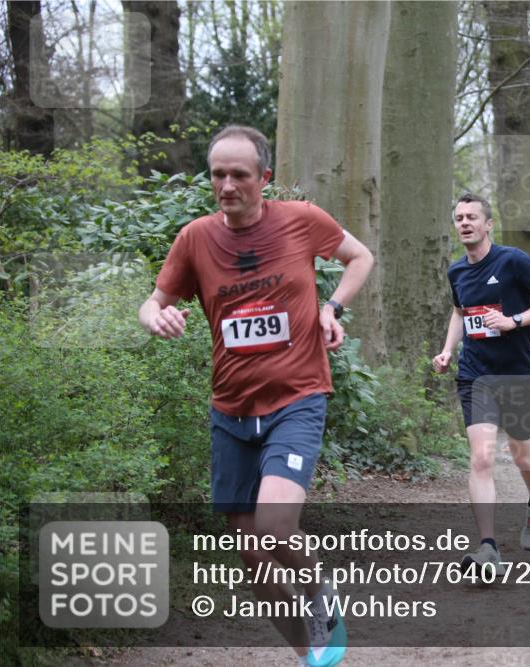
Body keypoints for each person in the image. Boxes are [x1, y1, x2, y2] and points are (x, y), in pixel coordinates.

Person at [138, 125, 373, 667]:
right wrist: (158, 317)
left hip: (297, 398)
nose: (226, 185)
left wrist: (331, 307)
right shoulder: (195, 238)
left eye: (239, 175)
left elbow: (360, 256)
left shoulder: (301, 220)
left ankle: (320, 593)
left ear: (263, 179)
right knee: (252, 555)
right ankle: (308, 656)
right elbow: (151, 302)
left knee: (274, 528)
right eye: (218, 174)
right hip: (231, 412)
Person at [432, 193, 530, 576]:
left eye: (472, 216)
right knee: (482, 457)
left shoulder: (512, 261)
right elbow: (460, 312)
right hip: (476, 373)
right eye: (458, 217)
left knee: (523, 454)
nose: (464, 222)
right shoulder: (457, 271)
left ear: (488, 224)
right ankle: (488, 546)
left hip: (518, 372)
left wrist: (516, 320)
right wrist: (447, 350)